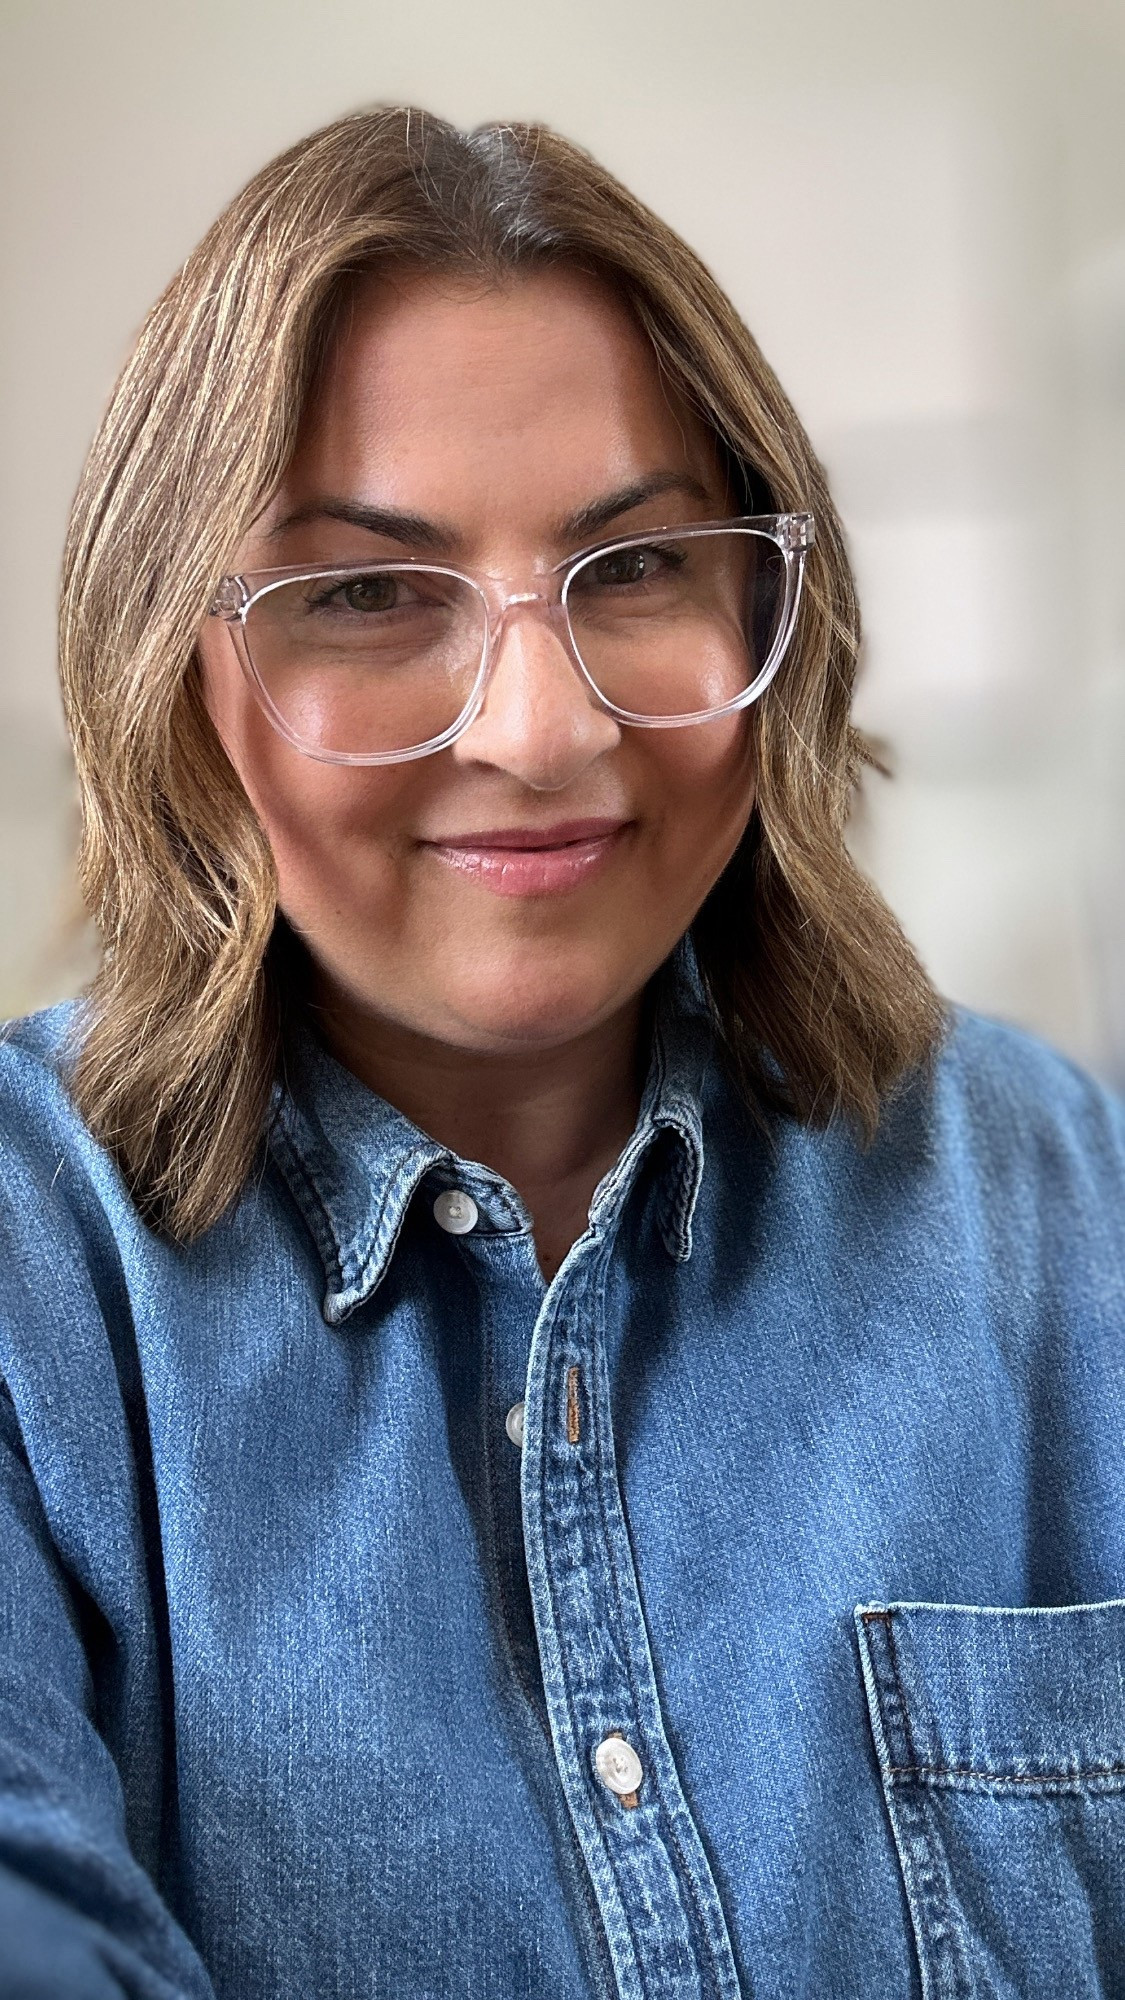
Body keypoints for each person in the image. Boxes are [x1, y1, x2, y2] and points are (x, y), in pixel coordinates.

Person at [2, 104, 1124, 2000]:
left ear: (777, 603)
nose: (536, 730)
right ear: (168, 675)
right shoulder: (36, 1279)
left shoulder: (1049, 1186)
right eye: (365, 593)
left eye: (637, 570)